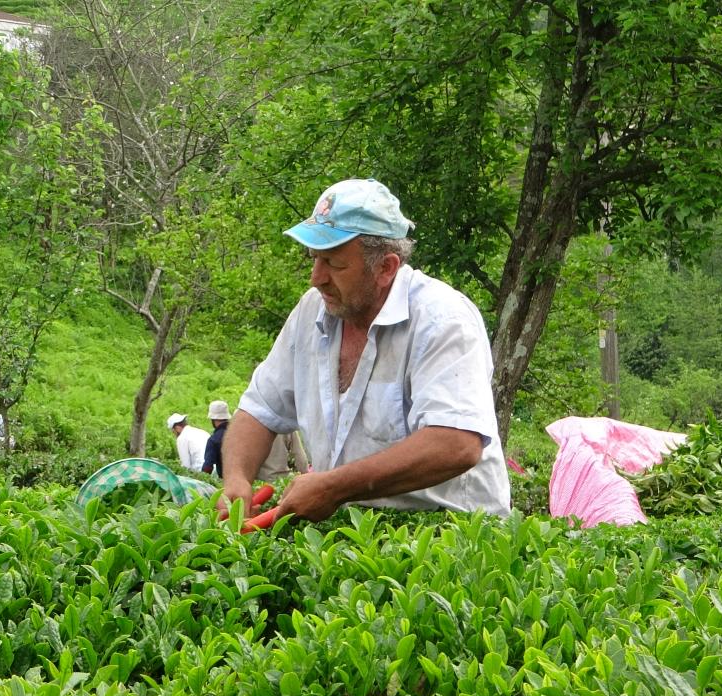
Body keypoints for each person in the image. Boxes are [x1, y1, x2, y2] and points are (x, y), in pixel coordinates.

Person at [221, 178, 510, 521]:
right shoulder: (312, 310)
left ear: (386, 267)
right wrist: (236, 480)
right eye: (314, 259)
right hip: (352, 529)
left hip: (449, 532)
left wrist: (332, 487)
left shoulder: (441, 318)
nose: (316, 278)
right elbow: (259, 408)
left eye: (334, 264)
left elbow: (456, 444)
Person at [201, 399, 231, 477]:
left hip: (227, 481)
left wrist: (202, 478)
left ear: (213, 419)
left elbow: (208, 467)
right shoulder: (238, 432)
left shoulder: (214, 440)